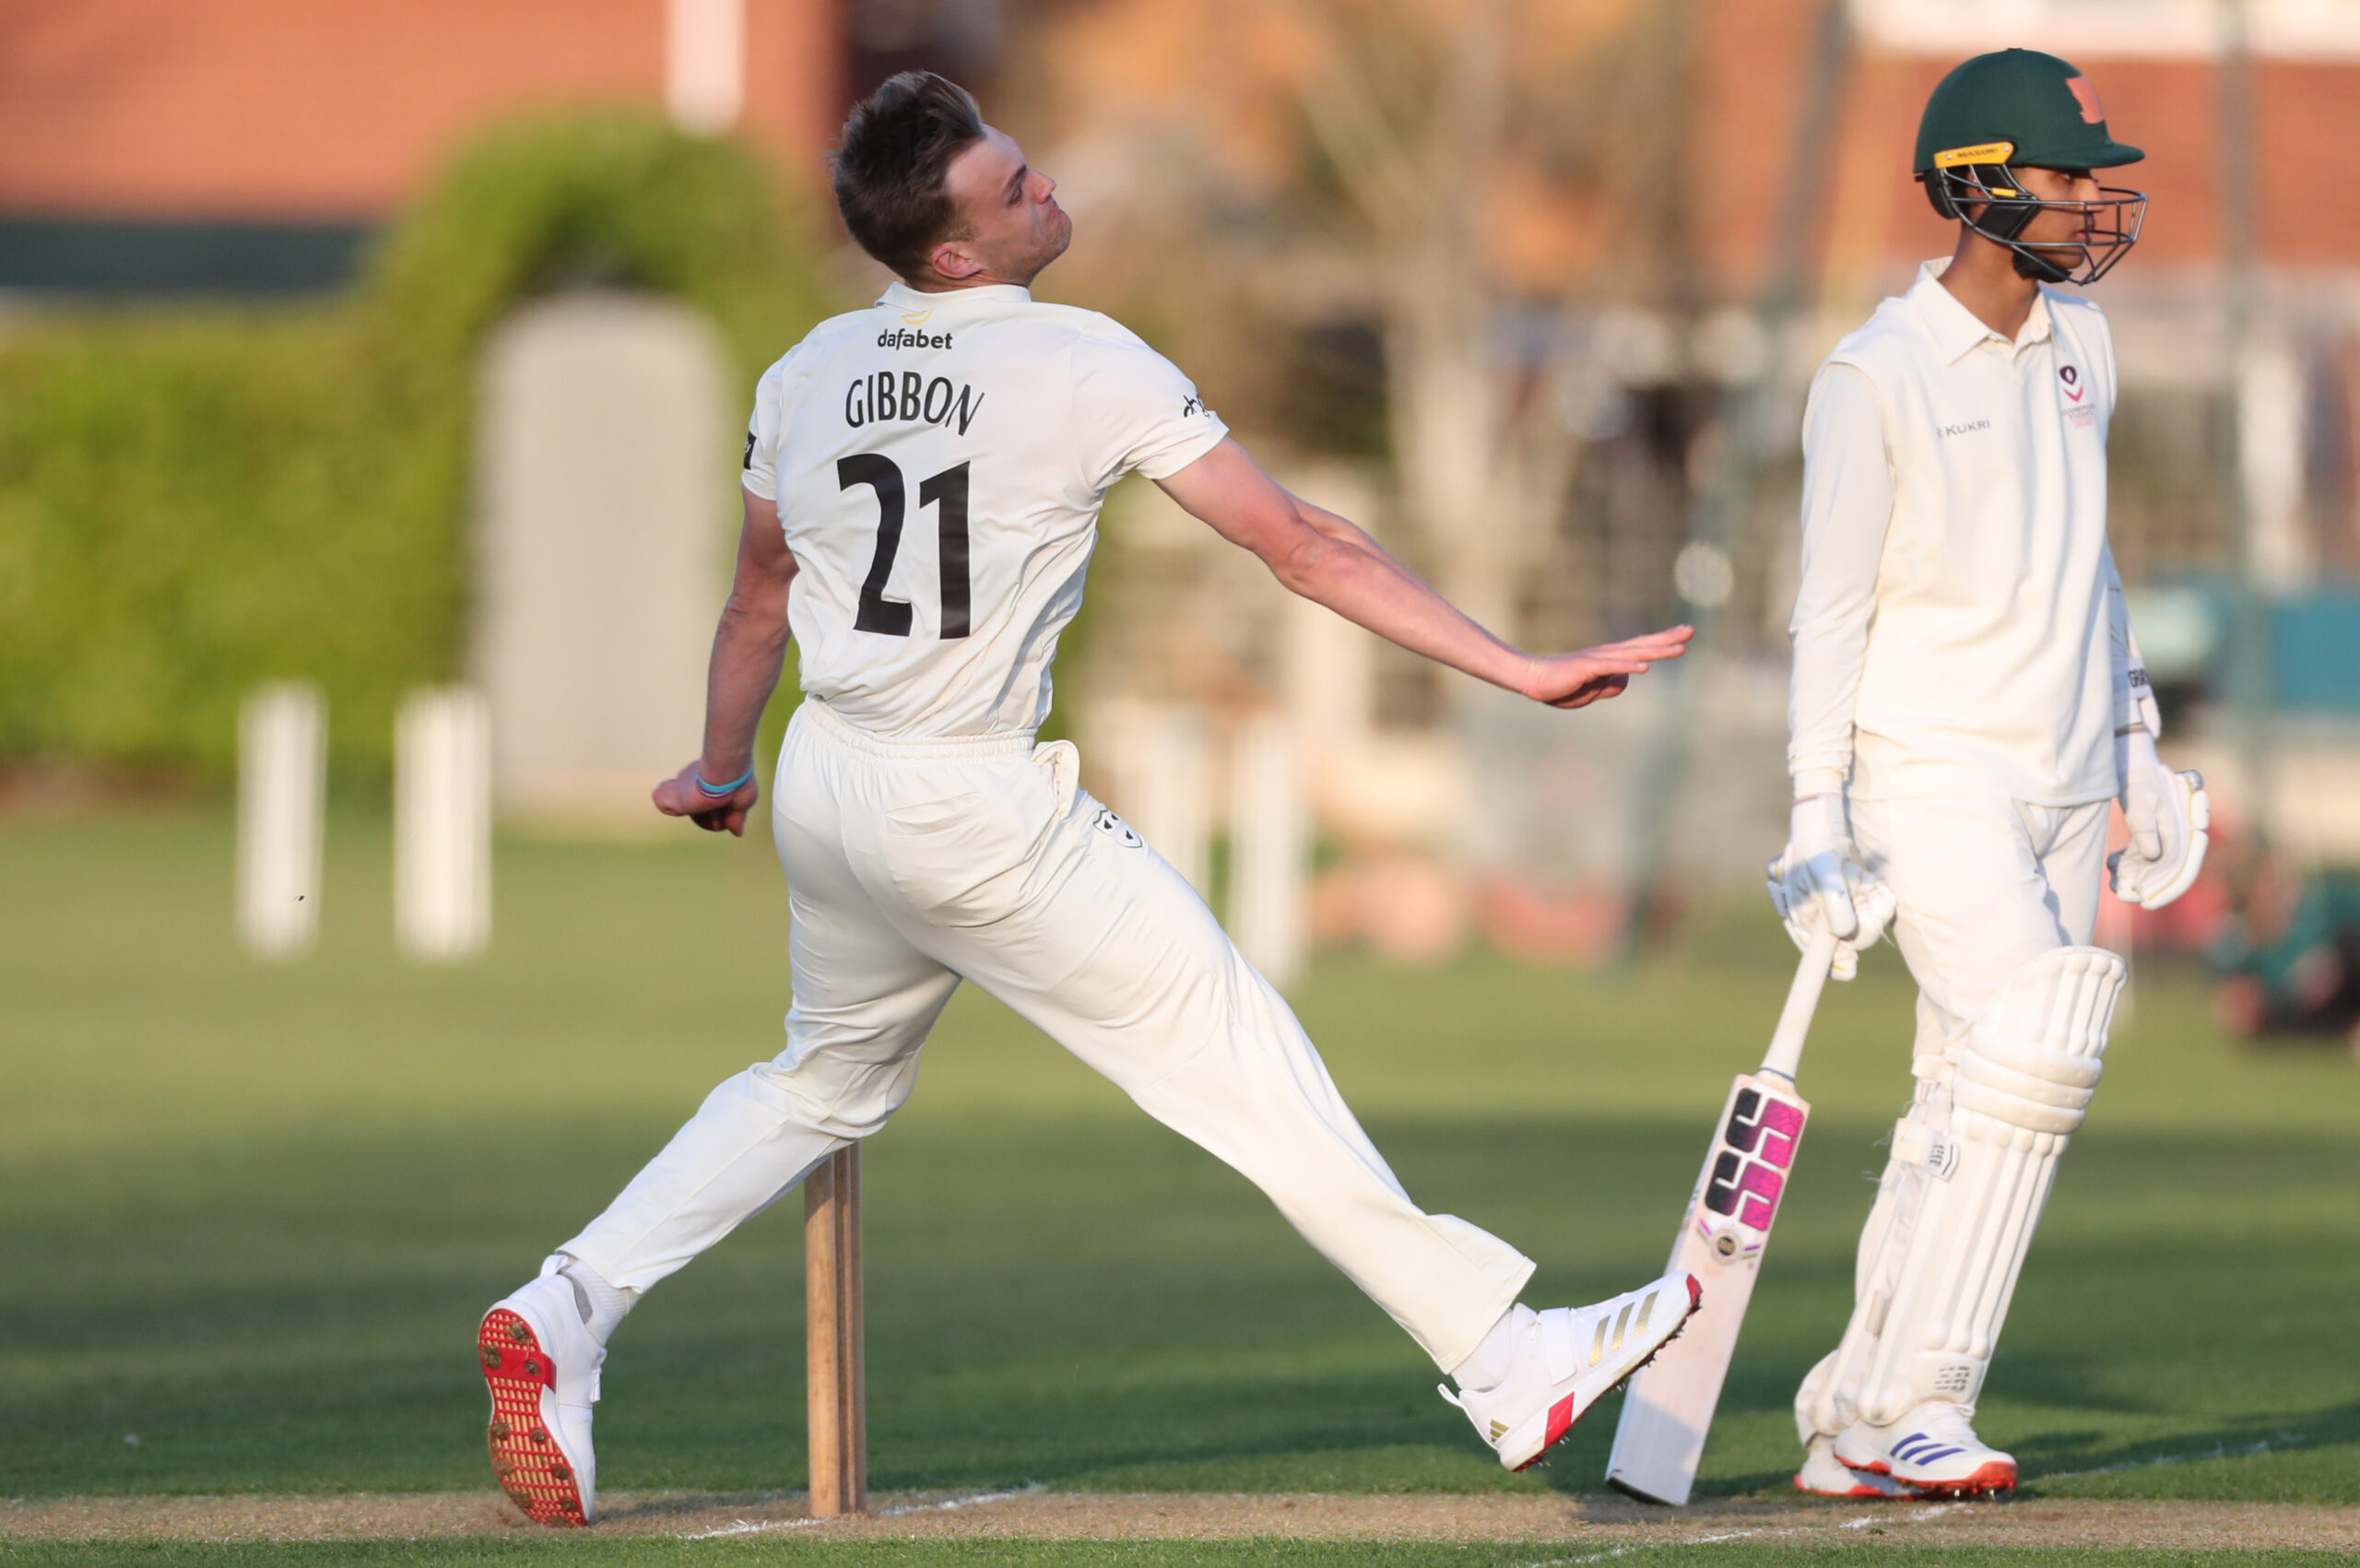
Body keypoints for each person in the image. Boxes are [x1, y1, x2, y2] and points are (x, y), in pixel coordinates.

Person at [477, 71, 1700, 1527]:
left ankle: (570, 1302)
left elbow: (759, 596)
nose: (1047, 187)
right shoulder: (1081, 359)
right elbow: (1300, 543)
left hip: (830, 780)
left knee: (823, 1085)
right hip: (970, 802)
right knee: (1234, 1050)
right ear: (951, 250)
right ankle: (1502, 1356)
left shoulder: (806, 369)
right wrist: (1515, 666)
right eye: (1014, 189)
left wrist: (721, 763)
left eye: (1027, 162)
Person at [1766, 48, 2208, 1500]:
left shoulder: (2085, 343)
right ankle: (1924, 1403)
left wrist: (2140, 745)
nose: (2089, 201)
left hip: (2069, 767)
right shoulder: (1874, 374)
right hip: (1932, 766)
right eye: (2066, 174)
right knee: (2038, 1044)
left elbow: (2092, 558)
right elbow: (1830, 607)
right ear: (1974, 186)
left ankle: (1850, 1410)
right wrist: (1815, 813)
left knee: (1969, 1095)